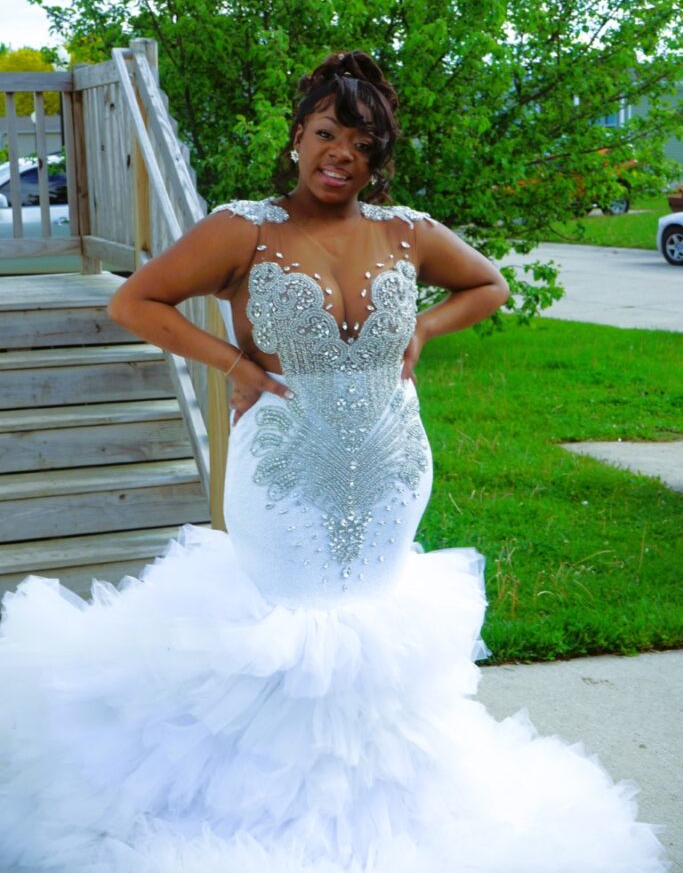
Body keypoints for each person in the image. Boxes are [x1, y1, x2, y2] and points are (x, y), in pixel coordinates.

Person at [0, 51, 668, 873]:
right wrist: (235, 364)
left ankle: (381, 820)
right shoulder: (243, 229)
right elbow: (134, 300)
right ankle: (265, 823)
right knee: (292, 637)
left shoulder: (405, 231)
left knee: (370, 635)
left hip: (391, 468)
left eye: (361, 143)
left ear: (377, 157)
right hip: (284, 471)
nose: (341, 155)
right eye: (326, 134)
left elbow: (487, 285)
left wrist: (421, 329)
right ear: (297, 137)